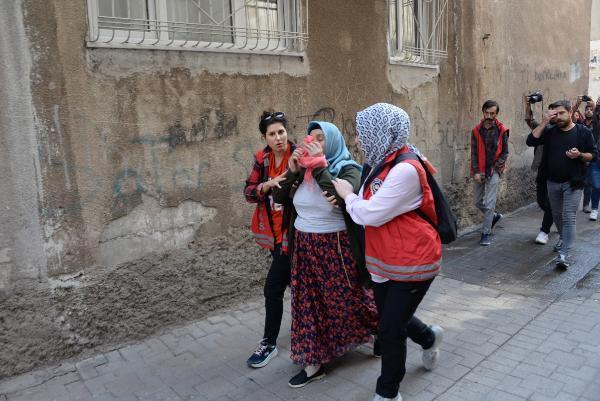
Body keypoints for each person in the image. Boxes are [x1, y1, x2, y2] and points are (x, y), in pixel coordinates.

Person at [332, 103, 444, 401]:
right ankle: (429, 337)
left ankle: (388, 392)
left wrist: (347, 196)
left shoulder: (405, 168)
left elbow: (370, 214)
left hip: (413, 262)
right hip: (382, 261)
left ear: (381, 132)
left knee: (390, 328)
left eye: (362, 133)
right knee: (393, 318)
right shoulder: (379, 160)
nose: (357, 140)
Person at [272, 121, 378, 388]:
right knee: (307, 304)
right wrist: (294, 170)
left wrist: (319, 164)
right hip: (304, 247)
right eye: (311, 137)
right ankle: (313, 363)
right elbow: (280, 198)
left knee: (348, 299)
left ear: (332, 140)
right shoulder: (303, 170)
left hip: (335, 248)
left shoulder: (348, 169)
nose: (314, 142)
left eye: (321, 138)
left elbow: (338, 197)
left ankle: (379, 333)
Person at [243, 111, 294, 368]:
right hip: (275, 238)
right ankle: (310, 329)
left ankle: (269, 343)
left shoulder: (298, 157)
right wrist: (266, 185)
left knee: (272, 289)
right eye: (272, 134)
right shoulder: (262, 161)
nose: (278, 138)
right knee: (298, 286)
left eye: (282, 132)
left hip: (295, 237)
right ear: (265, 137)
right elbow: (248, 193)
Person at [527, 100, 597, 269]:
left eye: (561, 113)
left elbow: (593, 155)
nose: (558, 117)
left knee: (569, 217)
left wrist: (579, 154)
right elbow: (531, 141)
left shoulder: (583, 132)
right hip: (552, 182)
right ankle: (563, 239)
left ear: (570, 112)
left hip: (573, 182)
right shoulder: (550, 131)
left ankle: (564, 253)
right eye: (555, 114)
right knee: (557, 215)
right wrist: (544, 121)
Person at [470, 100, 509, 246]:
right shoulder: (476, 130)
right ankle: (493, 216)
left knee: (490, 202)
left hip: (494, 170)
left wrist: (496, 168)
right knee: (477, 201)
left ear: (496, 114)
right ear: (483, 112)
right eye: (487, 112)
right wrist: (476, 171)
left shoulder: (502, 130)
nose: (489, 115)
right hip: (479, 169)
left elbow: (505, 152)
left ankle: (486, 233)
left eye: (492, 113)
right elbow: (474, 153)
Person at [525, 97, 554, 244]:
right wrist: (528, 105)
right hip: (542, 171)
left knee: (550, 203)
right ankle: (553, 215)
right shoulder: (543, 128)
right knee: (542, 202)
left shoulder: (564, 130)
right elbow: (529, 121)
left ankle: (544, 231)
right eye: (550, 111)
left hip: (556, 174)